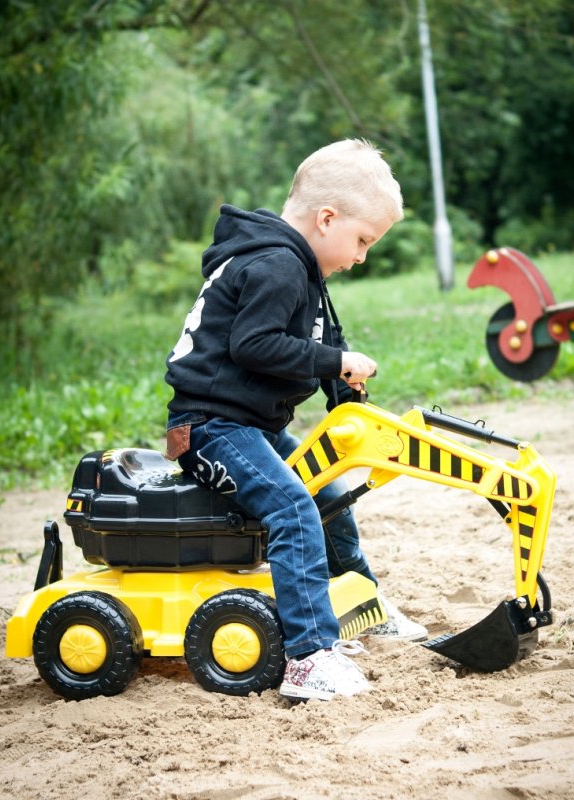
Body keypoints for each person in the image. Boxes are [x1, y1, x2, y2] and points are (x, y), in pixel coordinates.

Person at [164, 139, 427, 701]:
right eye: (361, 241)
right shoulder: (277, 264)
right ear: (326, 218)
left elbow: (317, 342)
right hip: (210, 428)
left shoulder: (301, 271)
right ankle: (310, 657)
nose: (361, 257)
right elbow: (255, 344)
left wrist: (341, 385)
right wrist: (334, 361)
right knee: (293, 509)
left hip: (248, 427)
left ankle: (360, 604)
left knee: (328, 491)